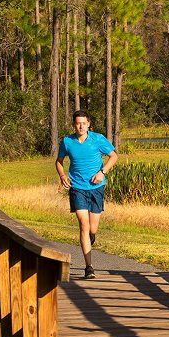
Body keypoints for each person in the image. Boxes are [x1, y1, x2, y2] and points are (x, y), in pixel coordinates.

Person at [56, 110, 118, 279]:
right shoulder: (67, 142)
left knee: (92, 228)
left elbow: (113, 156)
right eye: (78, 123)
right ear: (73, 124)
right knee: (83, 224)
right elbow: (59, 162)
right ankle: (89, 267)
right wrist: (62, 175)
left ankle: (91, 235)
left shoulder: (98, 139)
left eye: (84, 123)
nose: (81, 126)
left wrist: (102, 172)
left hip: (96, 188)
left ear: (89, 124)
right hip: (77, 187)